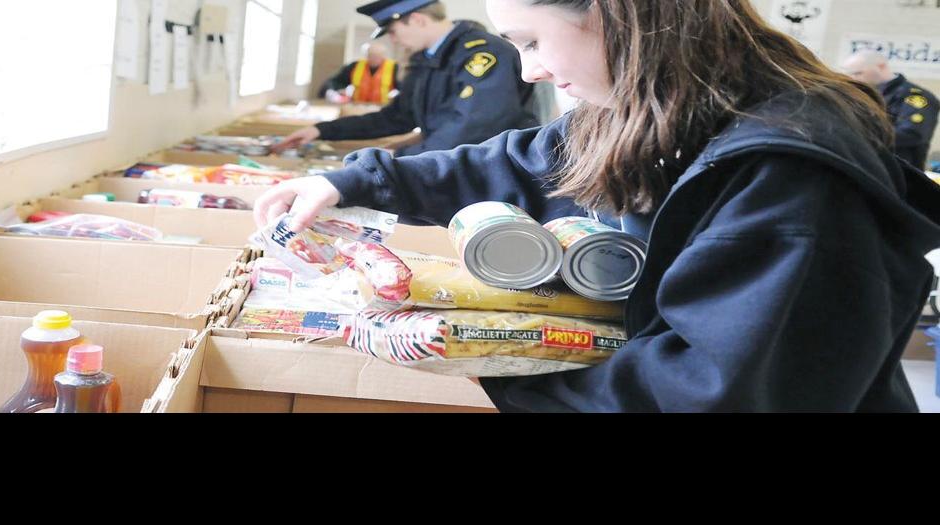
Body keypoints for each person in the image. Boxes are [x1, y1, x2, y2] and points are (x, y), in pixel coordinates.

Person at [255, 0, 940, 412]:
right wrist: (360, 181)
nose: (529, 72)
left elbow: (707, 390)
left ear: (615, 14)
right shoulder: (669, 103)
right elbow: (525, 158)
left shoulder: (793, 180)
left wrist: (480, 371)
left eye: (530, 42)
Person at [274, 0, 538, 157]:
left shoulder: (484, 53)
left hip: (489, 168)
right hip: (447, 163)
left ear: (418, 20)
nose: (393, 40)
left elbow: (471, 128)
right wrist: (322, 130)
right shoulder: (425, 60)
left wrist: (399, 157)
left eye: (393, 31)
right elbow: (398, 116)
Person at [842, 50, 939, 171]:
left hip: (900, 172)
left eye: (858, 73)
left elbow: (912, 134)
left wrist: (858, 136)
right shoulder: (861, 94)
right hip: (865, 167)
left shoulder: (915, 97)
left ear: (881, 66)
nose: (853, 78)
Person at [317, 42, 401, 105]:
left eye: (377, 56)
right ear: (367, 55)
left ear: (383, 56)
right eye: (371, 55)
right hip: (358, 105)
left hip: (382, 107)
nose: (374, 58)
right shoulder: (355, 66)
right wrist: (335, 92)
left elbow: (402, 87)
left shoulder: (394, 67)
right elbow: (336, 81)